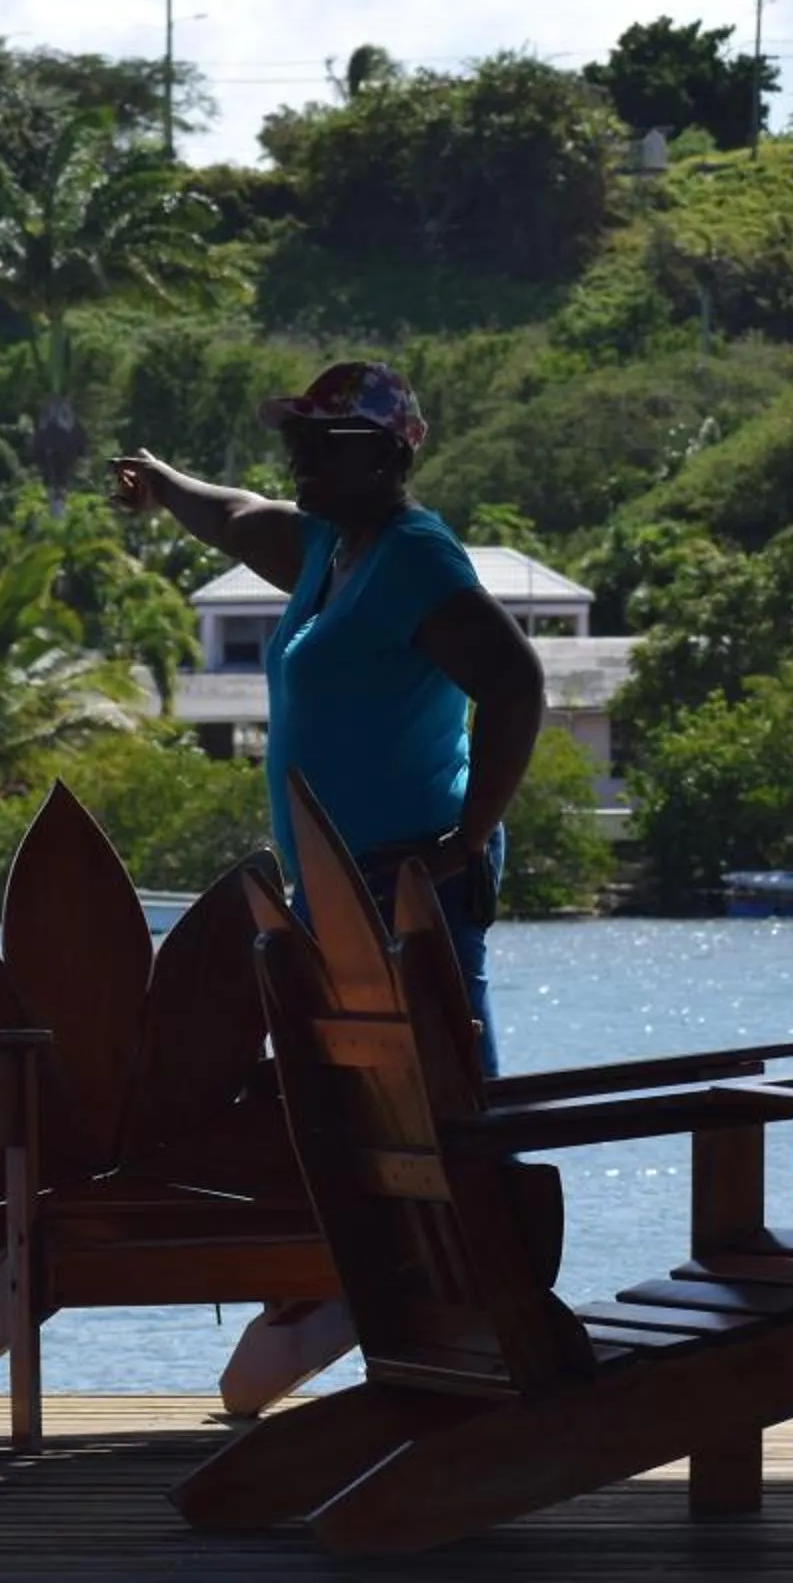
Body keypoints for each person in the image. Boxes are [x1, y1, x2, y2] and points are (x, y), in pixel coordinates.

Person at [111, 359, 543, 1071]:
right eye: (298, 439)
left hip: (410, 877)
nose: (302, 456)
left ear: (387, 455)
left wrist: (465, 845)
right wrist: (161, 482)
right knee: (349, 1098)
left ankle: (493, 1179)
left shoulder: (415, 558)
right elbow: (233, 516)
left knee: (447, 1091)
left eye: (327, 438)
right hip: (333, 880)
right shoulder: (327, 548)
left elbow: (516, 685)